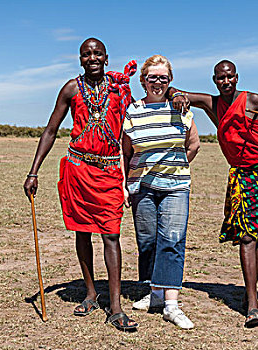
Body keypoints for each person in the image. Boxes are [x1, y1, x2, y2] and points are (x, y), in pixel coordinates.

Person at [23, 38, 138, 331]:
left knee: (111, 235)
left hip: (110, 170)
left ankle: (115, 307)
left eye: (97, 53)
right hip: (78, 169)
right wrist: (33, 171)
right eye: (86, 54)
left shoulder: (120, 89)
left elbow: (137, 120)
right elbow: (51, 130)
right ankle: (90, 293)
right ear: (80, 59)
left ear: (107, 58)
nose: (92, 58)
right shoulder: (71, 89)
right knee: (83, 232)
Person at [167, 60, 258, 328]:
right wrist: (177, 98)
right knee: (246, 235)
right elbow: (176, 90)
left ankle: (249, 291)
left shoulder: (253, 100)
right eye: (220, 78)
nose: (226, 82)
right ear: (214, 80)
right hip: (242, 176)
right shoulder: (213, 104)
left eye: (230, 77)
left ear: (237, 77)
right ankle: (253, 304)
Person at [122, 55, 200, 329]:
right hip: (142, 186)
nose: (157, 82)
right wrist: (126, 184)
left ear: (170, 81)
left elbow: (194, 145)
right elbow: (127, 152)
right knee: (148, 241)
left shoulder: (180, 108)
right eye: (152, 77)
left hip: (176, 186)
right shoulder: (132, 112)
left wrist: (174, 167)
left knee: (173, 240)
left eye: (163, 77)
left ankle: (171, 304)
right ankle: (154, 295)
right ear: (143, 80)